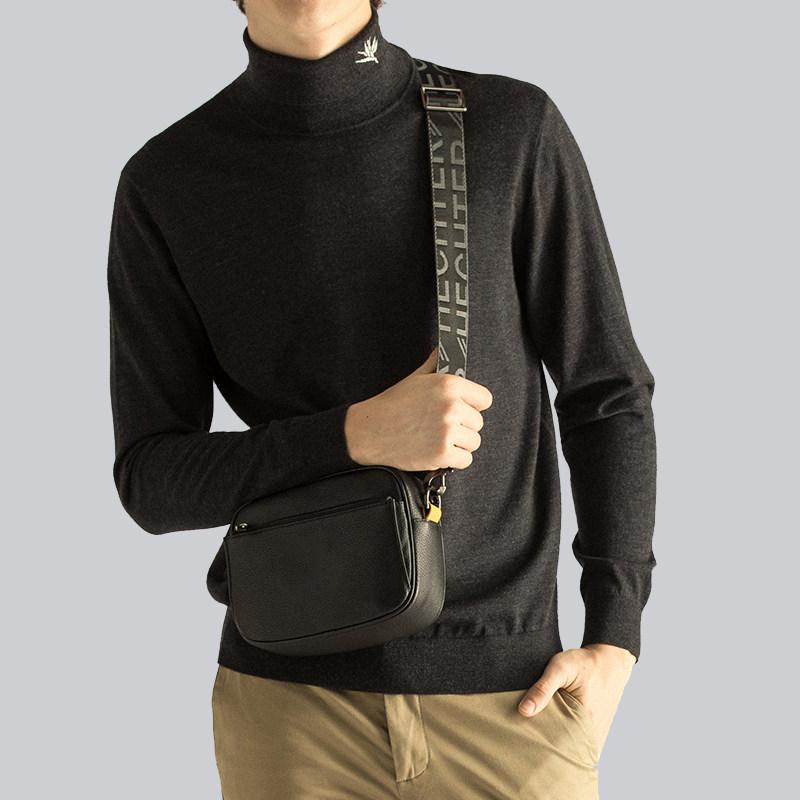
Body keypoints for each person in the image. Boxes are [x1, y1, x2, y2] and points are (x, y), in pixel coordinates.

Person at [106, 0, 657, 796]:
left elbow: (606, 391)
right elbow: (151, 478)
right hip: (287, 713)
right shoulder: (168, 180)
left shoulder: (509, 127)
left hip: (511, 701)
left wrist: (616, 635)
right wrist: (355, 434)